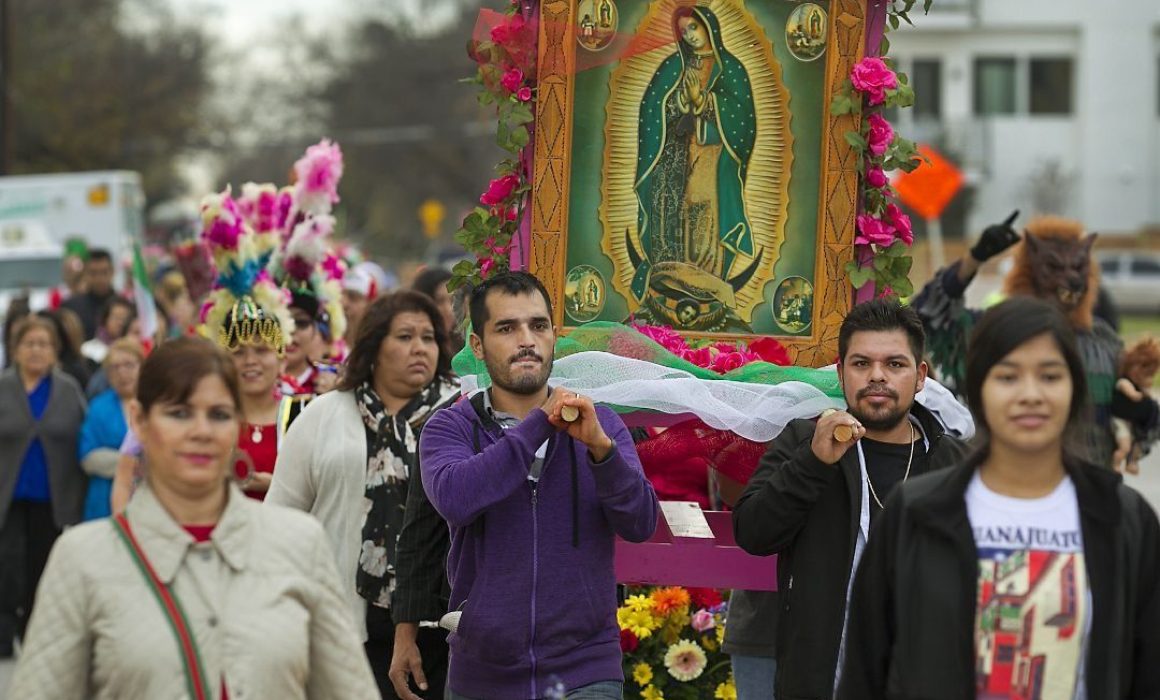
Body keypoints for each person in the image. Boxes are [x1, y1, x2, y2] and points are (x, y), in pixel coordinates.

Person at [9, 337, 379, 698]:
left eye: (218, 414)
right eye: (179, 413)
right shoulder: (83, 559)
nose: (201, 431)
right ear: (139, 420)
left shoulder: (299, 543)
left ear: (237, 422)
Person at [837, 297, 1160, 699]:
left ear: (1074, 388)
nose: (1030, 394)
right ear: (979, 388)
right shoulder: (917, 512)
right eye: (1007, 377)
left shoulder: (1121, 517)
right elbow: (866, 673)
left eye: (1049, 376)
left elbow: (1147, 674)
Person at [419, 270, 659, 699]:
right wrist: (540, 425)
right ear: (477, 345)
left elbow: (641, 523)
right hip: (483, 675)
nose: (526, 340)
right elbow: (456, 498)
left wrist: (602, 453)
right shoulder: (449, 428)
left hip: (586, 670)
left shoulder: (601, 425)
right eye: (507, 328)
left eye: (538, 325)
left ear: (554, 336)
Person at [732, 298, 968, 699]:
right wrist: (813, 463)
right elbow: (754, 532)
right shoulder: (804, 441)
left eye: (895, 364)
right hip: (820, 678)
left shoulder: (953, 464)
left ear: (921, 375)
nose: (877, 376)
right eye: (861, 364)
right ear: (841, 373)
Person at [268, 290, 461, 699]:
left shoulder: (459, 414)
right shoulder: (324, 415)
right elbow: (279, 522)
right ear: (374, 345)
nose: (419, 348)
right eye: (405, 336)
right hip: (346, 621)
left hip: (440, 621)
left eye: (428, 337)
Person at [913, 213, 1157, 467]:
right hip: (1004, 481)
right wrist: (974, 260)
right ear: (1029, 270)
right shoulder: (993, 331)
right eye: (1054, 267)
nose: (1070, 277)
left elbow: (1144, 424)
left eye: (1077, 266)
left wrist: (1138, 412)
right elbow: (927, 318)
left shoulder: (1102, 341)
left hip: (1089, 490)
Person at [630, 5, 757, 324]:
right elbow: (652, 110)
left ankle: (707, 286)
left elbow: (744, 123)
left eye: (695, 28)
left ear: (709, 28)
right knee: (674, 215)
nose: (690, 35)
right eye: (685, 30)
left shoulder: (731, 69)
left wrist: (706, 104)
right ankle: (671, 281)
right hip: (674, 158)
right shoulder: (674, 66)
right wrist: (678, 106)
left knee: (704, 214)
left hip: (711, 157)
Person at [0, 316, 88, 658]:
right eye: (29, 344)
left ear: (55, 352)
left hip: (52, 497)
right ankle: (4, 631)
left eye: (44, 344)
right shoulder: (4, 386)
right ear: (16, 350)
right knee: (7, 567)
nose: (37, 350)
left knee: (42, 566)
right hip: (8, 497)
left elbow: (82, 435)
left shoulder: (68, 390)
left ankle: (34, 632)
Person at [78, 338, 142, 521]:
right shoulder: (99, 407)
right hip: (103, 501)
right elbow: (88, 457)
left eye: (129, 365)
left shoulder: (156, 405)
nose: (122, 373)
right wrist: (133, 463)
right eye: (115, 367)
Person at [61, 248, 117, 340]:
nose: (99, 279)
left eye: (104, 272)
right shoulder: (71, 307)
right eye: (93, 273)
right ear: (85, 273)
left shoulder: (123, 306)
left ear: (112, 272)